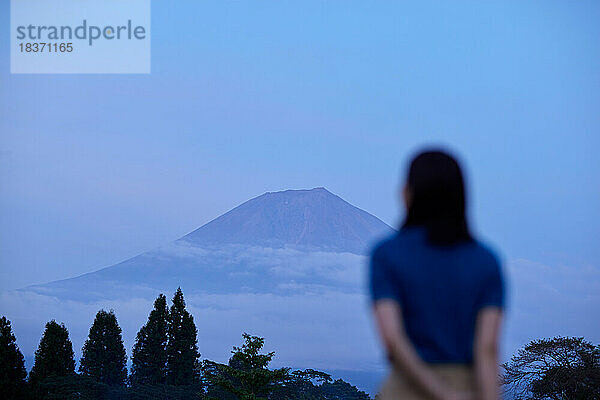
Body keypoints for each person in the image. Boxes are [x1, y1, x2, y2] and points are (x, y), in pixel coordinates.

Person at [370, 150, 505, 400]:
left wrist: (440, 393)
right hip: (467, 386)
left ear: (406, 193)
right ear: (461, 197)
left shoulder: (386, 255)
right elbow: (487, 349)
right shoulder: (486, 261)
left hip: (405, 389)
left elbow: (393, 339)